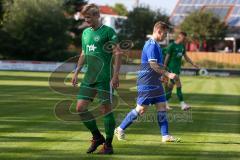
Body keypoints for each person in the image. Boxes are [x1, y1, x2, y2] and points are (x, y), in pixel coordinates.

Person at [114, 21, 180, 143]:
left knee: (162, 107)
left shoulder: (157, 45)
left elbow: (158, 66)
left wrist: (162, 76)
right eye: (165, 34)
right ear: (159, 31)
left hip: (156, 82)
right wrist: (168, 74)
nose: (166, 36)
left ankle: (165, 136)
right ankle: (120, 129)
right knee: (141, 109)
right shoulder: (151, 45)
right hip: (147, 83)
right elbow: (153, 65)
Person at [71, 3, 121, 154]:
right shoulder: (86, 33)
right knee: (80, 108)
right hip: (89, 77)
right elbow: (83, 53)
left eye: (89, 18)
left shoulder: (108, 32)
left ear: (97, 16)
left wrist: (116, 75)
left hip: (105, 77)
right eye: (85, 18)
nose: (87, 21)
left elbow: (117, 53)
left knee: (105, 110)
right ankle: (97, 137)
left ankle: (109, 145)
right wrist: (76, 72)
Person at [164, 32, 199, 110]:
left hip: (177, 69)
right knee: (179, 85)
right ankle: (183, 104)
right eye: (184, 37)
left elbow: (186, 57)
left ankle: (165, 103)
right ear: (180, 36)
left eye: (185, 38)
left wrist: (193, 64)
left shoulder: (182, 46)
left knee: (170, 87)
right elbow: (167, 57)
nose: (185, 39)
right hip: (171, 68)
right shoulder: (172, 46)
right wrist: (164, 67)